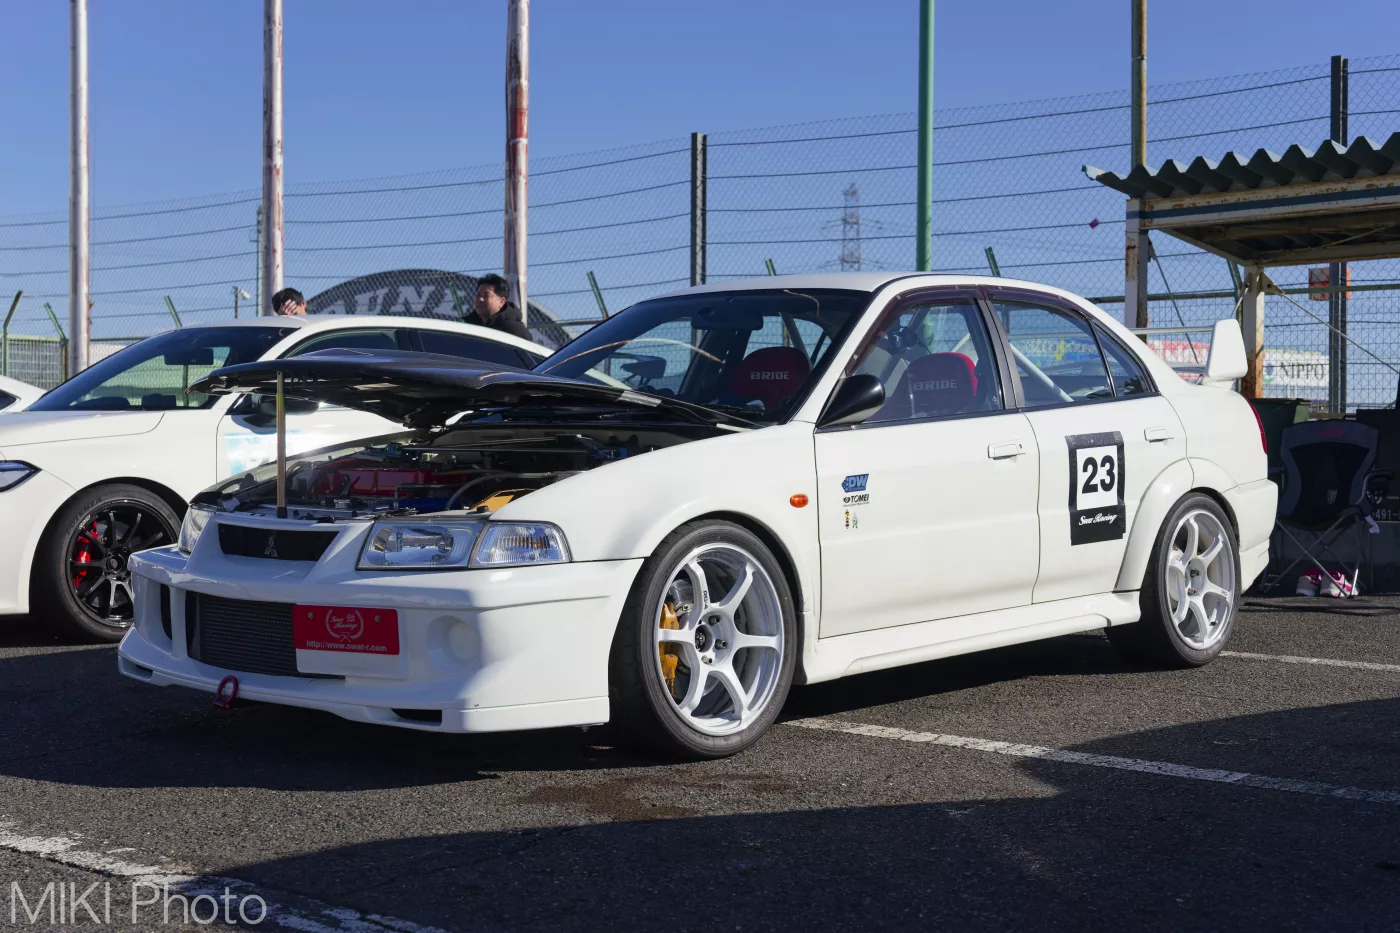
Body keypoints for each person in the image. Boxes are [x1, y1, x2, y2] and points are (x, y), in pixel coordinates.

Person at [466, 274, 532, 341]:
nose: (480, 299)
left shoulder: (514, 330)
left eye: (486, 295)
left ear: (501, 302)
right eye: (478, 294)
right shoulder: (468, 327)